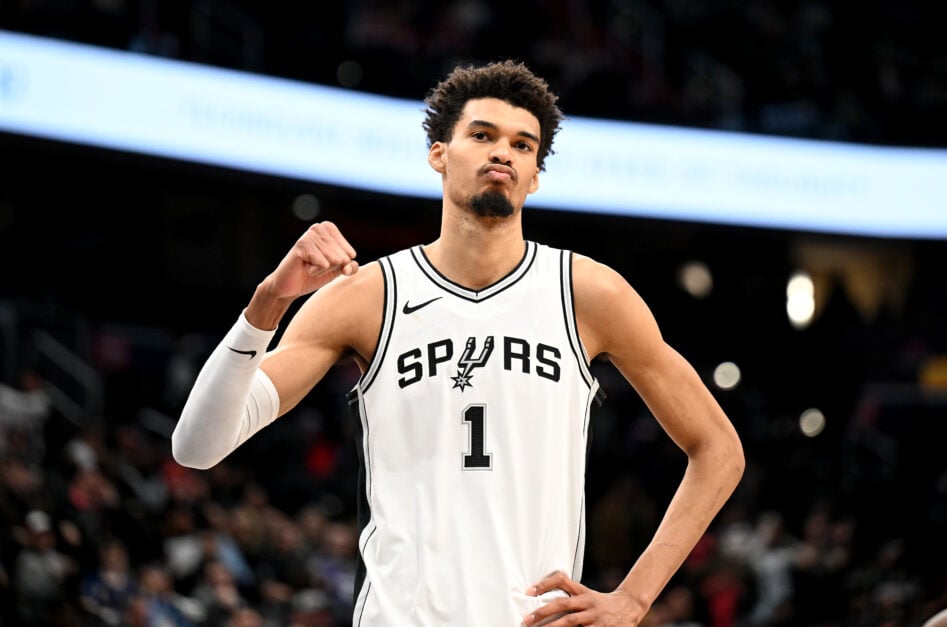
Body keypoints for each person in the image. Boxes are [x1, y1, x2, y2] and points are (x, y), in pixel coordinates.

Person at [171, 59, 745, 626]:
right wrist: (268, 303)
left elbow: (718, 449)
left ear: (536, 175)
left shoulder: (587, 294)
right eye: (482, 134)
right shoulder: (367, 295)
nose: (504, 153)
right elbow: (198, 447)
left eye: (524, 146)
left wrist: (634, 598)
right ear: (438, 154)